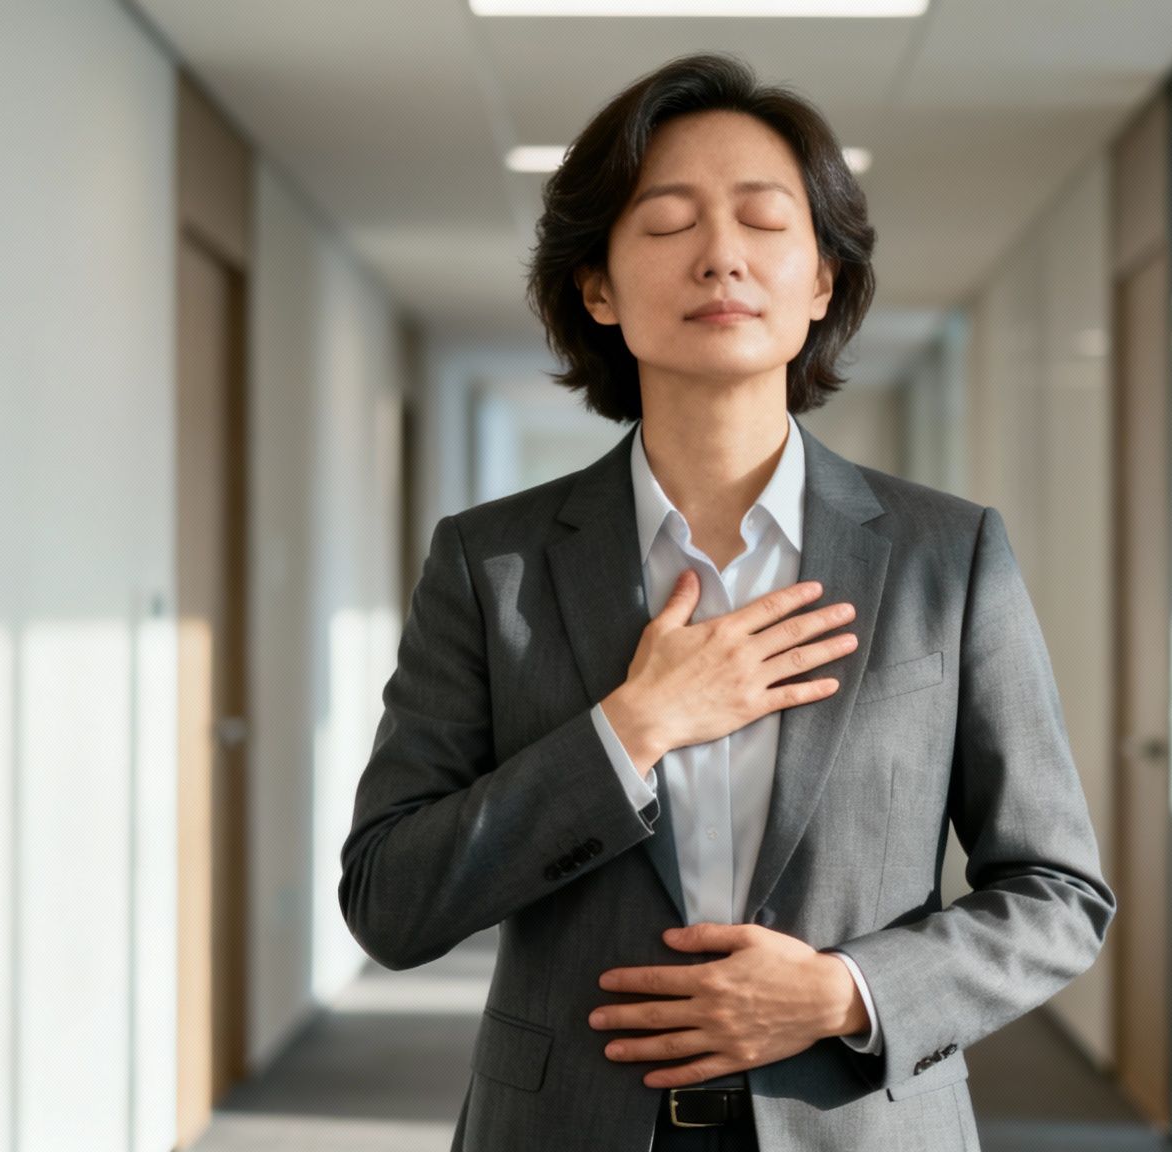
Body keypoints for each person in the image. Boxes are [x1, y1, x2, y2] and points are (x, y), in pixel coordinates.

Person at [338, 50, 1115, 1152]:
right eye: (665, 224)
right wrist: (630, 729)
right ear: (595, 288)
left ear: (820, 283)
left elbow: (1055, 894)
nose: (718, 257)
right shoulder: (489, 563)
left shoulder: (946, 556)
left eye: (762, 222)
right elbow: (389, 901)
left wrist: (847, 993)